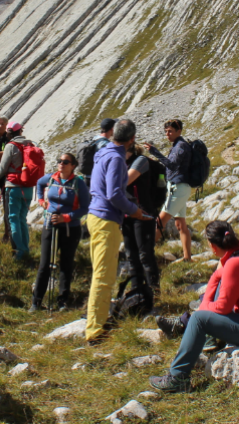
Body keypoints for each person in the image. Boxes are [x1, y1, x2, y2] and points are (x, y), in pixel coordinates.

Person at [148, 221, 239, 393]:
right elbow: (218, 277)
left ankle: (178, 378)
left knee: (199, 319)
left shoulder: (234, 264)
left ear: (212, 246)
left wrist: (203, 309)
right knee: (207, 305)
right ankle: (206, 338)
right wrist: (207, 302)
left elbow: (223, 308)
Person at [86, 118, 150, 344]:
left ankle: (96, 319)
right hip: (106, 220)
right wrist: (135, 211)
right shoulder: (115, 158)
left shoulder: (103, 151)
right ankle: (95, 331)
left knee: (100, 273)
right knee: (104, 276)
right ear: (131, 139)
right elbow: (114, 193)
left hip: (95, 215)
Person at [30, 152, 90, 312]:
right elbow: (39, 183)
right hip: (50, 224)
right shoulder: (51, 178)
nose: (61, 164)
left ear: (73, 165)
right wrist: (41, 201)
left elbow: (85, 208)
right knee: (44, 264)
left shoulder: (79, 183)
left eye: (65, 162)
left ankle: (62, 301)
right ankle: (36, 302)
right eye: (59, 161)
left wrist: (67, 217)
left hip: (70, 228)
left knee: (66, 263)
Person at [145, 119, 193, 262]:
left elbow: (172, 165)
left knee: (160, 221)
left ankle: (145, 253)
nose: (167, 134)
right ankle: (187, 258)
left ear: (179, 131)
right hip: (178, 188)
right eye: (166, 131)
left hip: (178, 189)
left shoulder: (181, 146)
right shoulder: (177, 145)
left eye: (170, 131)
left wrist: (154, 152)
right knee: (180, 224)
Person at [0, 121, 35, 259]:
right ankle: (26, 248)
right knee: (22, 218)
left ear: (10, 133)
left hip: (13, 187)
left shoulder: (11, 146)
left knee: (13, 219)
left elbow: (3, 167)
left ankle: (20, 252)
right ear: (21, 132)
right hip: (28, 187)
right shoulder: (31, 144)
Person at [123, 143, 161, 293]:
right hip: (127, 214)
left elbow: (124, 182)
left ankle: (154, 290)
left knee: (145, 254)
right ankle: (136, 291)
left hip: (143, 214)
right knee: (131, 255)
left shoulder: (140, 161)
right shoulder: (122, 163)